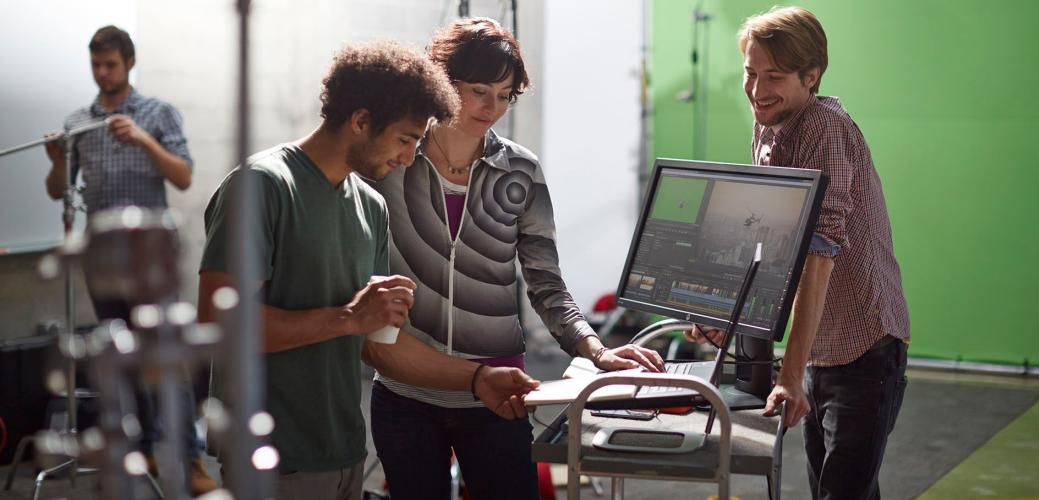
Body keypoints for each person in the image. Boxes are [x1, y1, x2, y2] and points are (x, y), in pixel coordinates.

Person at [196, 40, 539, 500]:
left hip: (343, 454)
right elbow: (218, 326)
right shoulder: (262, 186)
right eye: (404, 139)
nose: (410, 157)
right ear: (360, 121)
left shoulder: (370, 206)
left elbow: (383, 348)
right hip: (270, 456)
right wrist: (349, 318)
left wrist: (478, 379)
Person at [371, 17, 665, 499]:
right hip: (407, 390)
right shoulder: (396, 160)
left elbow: (547, 283)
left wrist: (596, 349)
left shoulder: (521, 172)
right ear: (442, 81)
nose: (493, 107)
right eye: (480, 90)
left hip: (501, 391)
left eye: (506, 95)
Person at [686, 7, 909, 499]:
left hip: (865, 347)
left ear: (812, 76)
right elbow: (769, 243)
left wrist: (787, 376)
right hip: (818, 351)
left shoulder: (823, 127)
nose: (757, 89)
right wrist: (727, 315)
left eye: (775, 77)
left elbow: (817, 253)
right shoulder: (769, 124)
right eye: (751, 72)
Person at [43, 25, 215, 495]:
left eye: (111, 65)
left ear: (129, 63)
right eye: (96, 65)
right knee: (119, 360)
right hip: (102, 263)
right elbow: (59, 190)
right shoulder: (79, 121)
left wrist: (142, 139)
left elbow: (183, 176)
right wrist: (57, 160)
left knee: (164, 362)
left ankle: (188, 458)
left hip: (150, 261)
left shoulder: (158, 114)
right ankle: (141, 455)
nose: (103, 73)